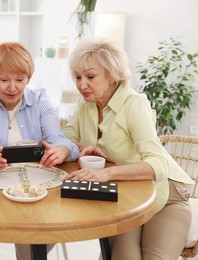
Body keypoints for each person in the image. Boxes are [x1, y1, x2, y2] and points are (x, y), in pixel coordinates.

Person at [62, 39, 193, 260]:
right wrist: (83, 145)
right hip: (127, 197)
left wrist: (104, 174)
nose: (82, 85)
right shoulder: (85, 105)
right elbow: (64, 140)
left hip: (166, 196)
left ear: (112, 75)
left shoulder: (134, 104)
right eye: (77, 77)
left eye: (90, 77)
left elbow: (158, 163)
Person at [0, 42, 79, 260]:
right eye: (4, 80)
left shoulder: (40, 99)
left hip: (38, 189)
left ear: (28, 78)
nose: (12, 87)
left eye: (20, 80)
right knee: (26, 241)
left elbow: (61, 141)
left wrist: (60, 151)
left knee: (31, 241)